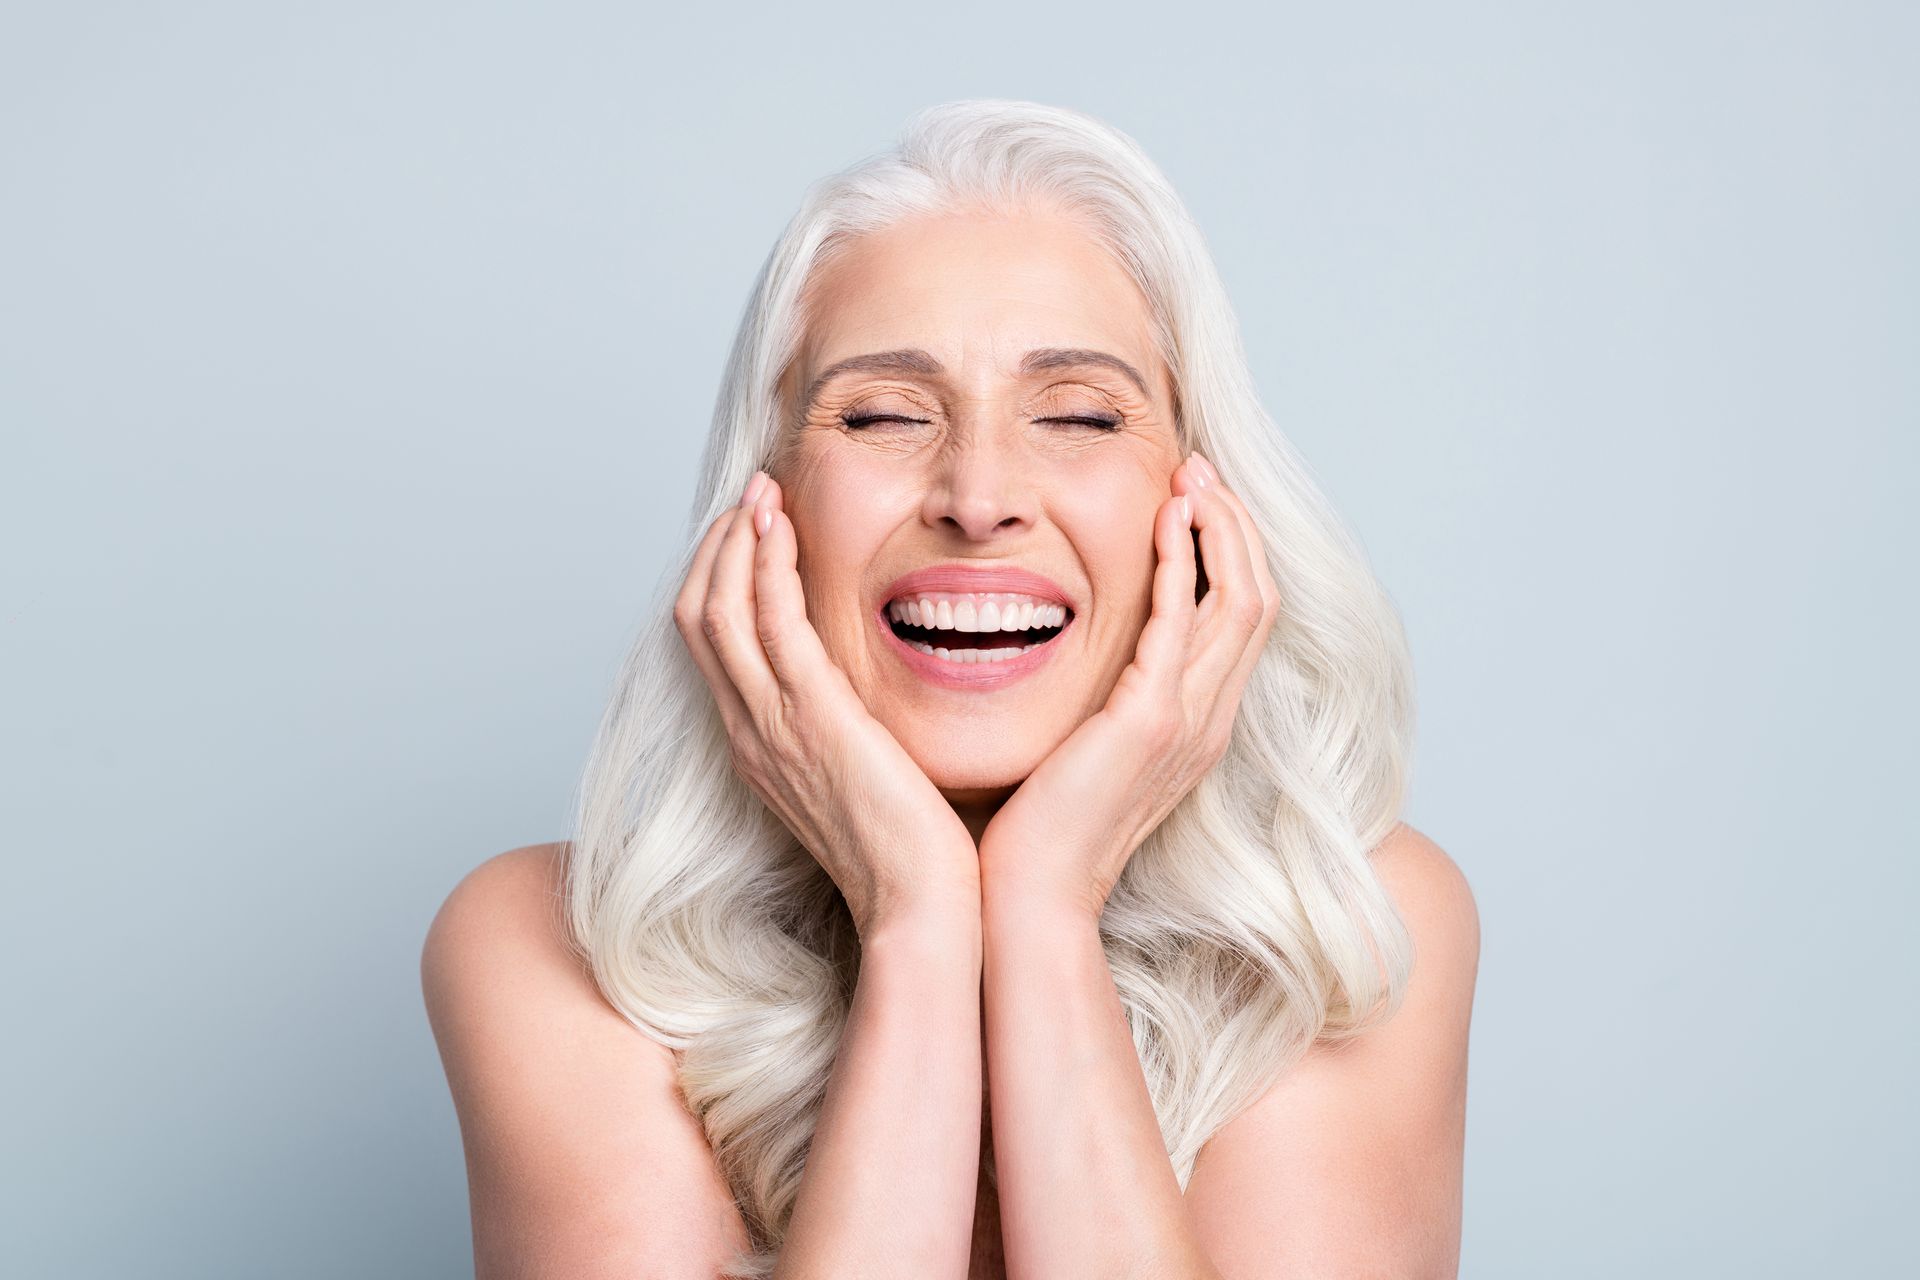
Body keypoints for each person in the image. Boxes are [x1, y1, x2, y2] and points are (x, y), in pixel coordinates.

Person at [421, 99, 1480, 1280]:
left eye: (1077, 413)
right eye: (880, 414)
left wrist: (1041, 904)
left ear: (1196, 509)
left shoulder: (1352, 927)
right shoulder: (546, 948)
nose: (978, 496)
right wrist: (919, 917)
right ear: (766, 506)